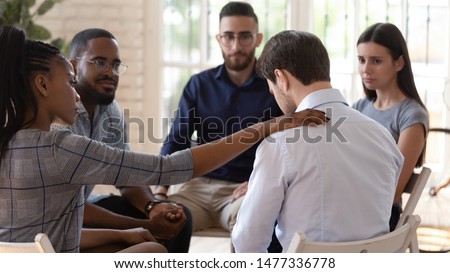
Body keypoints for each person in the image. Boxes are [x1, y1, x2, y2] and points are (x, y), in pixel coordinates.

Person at [0, 25, 326, 253]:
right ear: (42, 85)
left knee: (148, 243)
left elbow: (48, 233)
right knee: (153, 248)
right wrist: (266, 127)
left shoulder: (9, 138)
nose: (73, 91)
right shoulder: (60, 145)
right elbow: (168, 167)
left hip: (27, 258)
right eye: (69, 82)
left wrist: (130, 229)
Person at [231, 30, 404, 252]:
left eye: (271, 87)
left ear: (281, 79)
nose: (273, 94)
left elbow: (248, 241)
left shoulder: (280, 143)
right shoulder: (383, 137)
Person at [154, 1, 283, 244]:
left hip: (246, 188)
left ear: (258, 39)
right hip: (198, 188)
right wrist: (161, 191)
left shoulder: (274, 86)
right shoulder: (198, 84)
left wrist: (261, 183)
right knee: (164, 221)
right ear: (218, 38)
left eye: (245, 37)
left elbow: (289, 142)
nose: (236, 46)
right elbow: (177, 139)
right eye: (228, 37)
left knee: (253, 225)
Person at [65, 28, 191, 253]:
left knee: (178, 218)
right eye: (99, 62)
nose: (110, 72)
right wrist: (145, 225)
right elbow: (68, 207)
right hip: (61, 220)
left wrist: (152, 206)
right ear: (74, 66)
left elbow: (126, 175)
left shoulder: (109, 110)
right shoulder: (60, 113)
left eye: (115, 65)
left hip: (85, 206)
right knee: (151, 238)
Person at [352, 22, 428, 231]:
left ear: (399, 63)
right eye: (361, 60)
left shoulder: (411, 115)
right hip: (349, 203)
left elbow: (392, 192)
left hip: (379, 215)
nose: (366, 69)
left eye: (376, 61)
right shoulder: (359, 107)